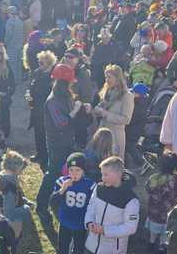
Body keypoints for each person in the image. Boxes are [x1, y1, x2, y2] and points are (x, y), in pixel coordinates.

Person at [35, 64, 84, 215]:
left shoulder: (66, 96)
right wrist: (75, 110)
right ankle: (41, 205)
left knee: (65, 172)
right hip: (56, 143)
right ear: (65, 83)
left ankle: (58, 200)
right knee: (53, 174)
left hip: (67, 141)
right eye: (70, 82)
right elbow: (61, 123)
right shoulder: (53, 101)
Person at [145, 152, 177, 254]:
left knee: (153, 230)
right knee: (165, 231)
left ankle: (151, 242)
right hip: (169, 213)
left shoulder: (153, 178)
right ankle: (162, 246)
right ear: (176, 166)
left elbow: (148, 189)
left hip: (154, 212)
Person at [89, 64, 134, 158]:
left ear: (117, 78)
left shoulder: (127, 96)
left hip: (115, 136)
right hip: (102, 135)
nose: (107, 80)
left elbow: (126, 119)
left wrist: (105, 114)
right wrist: (95, 110)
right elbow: (100, 107)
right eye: (106, 77)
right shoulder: (107, 92)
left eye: (109, 77)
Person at [27, 50, 55, 169]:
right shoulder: (37, 72)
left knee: (44, 134)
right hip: (35, 108)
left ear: (49, 63)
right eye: (39, 62)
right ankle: (39, 153)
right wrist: (29, 95)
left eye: (42, 63)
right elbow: (30, 85)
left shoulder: (52, 76)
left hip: (46, 109)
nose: (39, 65)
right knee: (37, 132)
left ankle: (45, 157)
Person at [0, 149, 31, 240]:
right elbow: (8, 213)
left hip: (6, 210)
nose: (21, 171)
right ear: (14, 169)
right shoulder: (9, 188)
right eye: (20, 169)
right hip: (7, 218)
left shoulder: (4, 177)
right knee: (25, 213)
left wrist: (24, 200)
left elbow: (16, 196)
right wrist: (25, 208)